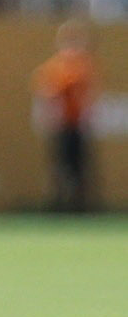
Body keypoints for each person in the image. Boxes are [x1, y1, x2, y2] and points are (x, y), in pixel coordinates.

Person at [34, 22, 100, 214]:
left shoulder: (83, 66)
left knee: (80, 167)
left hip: (77, 125)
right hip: (63, 126)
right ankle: (59, 204)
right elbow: (47, 95)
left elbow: (89, 96)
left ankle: (79, 204)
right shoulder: (57, 67)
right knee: (61, 166)